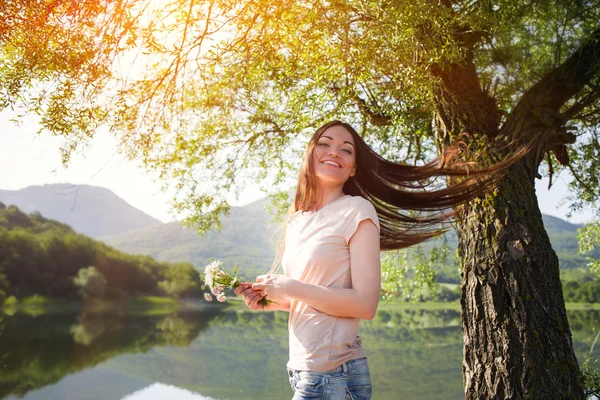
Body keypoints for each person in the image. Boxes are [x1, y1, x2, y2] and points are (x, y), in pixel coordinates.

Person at [234, 120, 515, 399]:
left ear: (354, 168)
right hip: (302, 370)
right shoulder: (297, 219)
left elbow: (365, 305)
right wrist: (273, 300)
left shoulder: (357, 210)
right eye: (324, 144)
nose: (334, 152)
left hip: (333, 374)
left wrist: (290, 288)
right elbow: (317, 297)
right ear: (310, 154)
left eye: (346, 150)